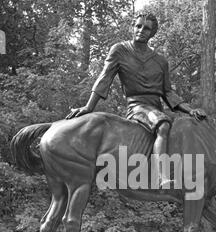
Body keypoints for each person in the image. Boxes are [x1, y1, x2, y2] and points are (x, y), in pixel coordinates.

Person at [66, 13, 206, 188]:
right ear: (133, 27)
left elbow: (168, 92)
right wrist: (89, 107)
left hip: (156, 108)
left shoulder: (160, 61)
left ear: (152, 33)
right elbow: (105, 78)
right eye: (138, 26)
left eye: (146, 28)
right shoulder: (120, 50)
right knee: (163, 125)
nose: (141, 30)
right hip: (137, 106)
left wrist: (190, 110)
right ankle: (162, 177)